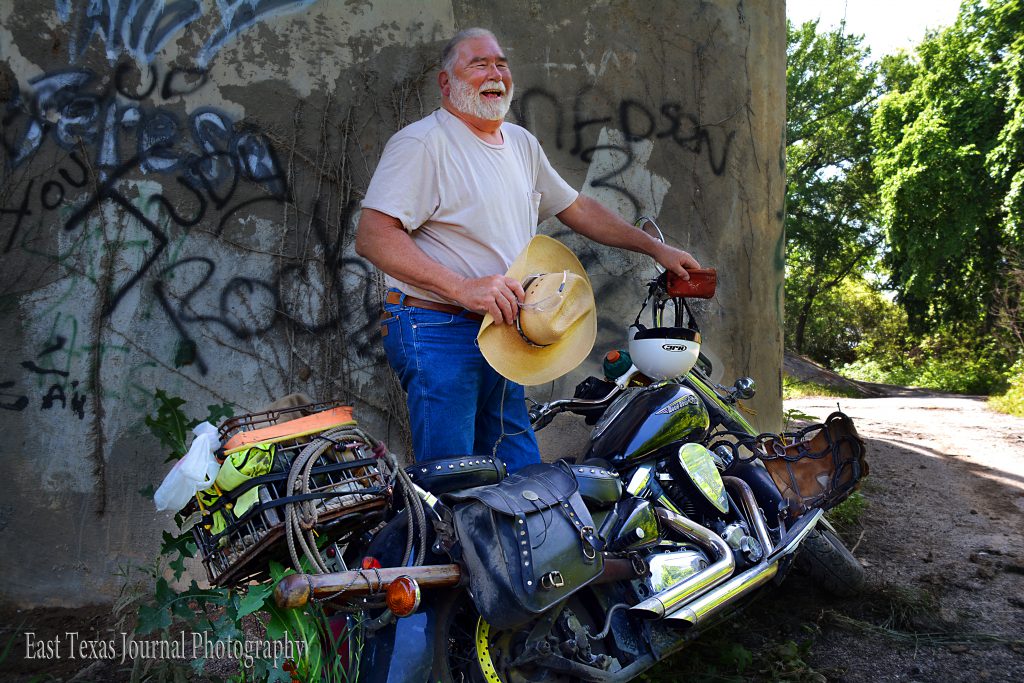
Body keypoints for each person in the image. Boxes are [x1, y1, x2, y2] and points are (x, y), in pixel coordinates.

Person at [355, 27, 700, 472]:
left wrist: (655, 248)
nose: (495, 73)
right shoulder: (423, 144)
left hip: (502, 330)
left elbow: (577, 208)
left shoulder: (520, 144)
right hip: (435, 327)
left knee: (522, 474)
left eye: (500, 63)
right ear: (446, 83)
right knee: (455, 477)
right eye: (478, 64)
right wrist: (462, 288)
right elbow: (374, 235)